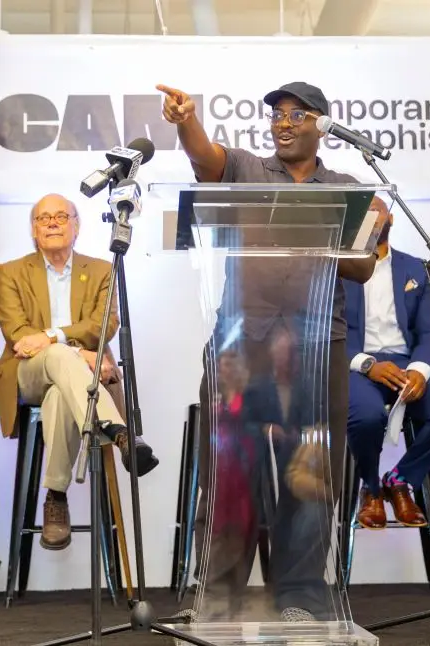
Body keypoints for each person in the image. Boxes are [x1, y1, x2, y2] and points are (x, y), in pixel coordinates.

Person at [158, 80, 376, 622]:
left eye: (297, 115)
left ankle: (300, 597)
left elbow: (363, 267)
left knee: (309, 474)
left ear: (321, 124)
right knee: (231, 475)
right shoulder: (248, 172)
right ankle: (222, 598)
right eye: (277, 115)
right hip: (241, 346)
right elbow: (205, 157)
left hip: (317, 345)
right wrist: (187, 121)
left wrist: (328, 230)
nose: (283, 123)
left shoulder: (346, 188)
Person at [0, 193, 159, 551]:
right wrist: (69, 347)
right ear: (33, 230)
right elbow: (18, 335)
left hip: (76, 378)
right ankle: (119, 431)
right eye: (43, 218)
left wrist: (54, 337)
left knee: (59, 397)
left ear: (77, 225)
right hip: (28, 373)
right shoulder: (11, 272)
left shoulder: (101, 270)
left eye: (61, 216)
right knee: (56, 358)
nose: (52, 223)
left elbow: (105, 324)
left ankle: (55, 495)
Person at [345, 197, 430, 529]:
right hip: (357, 367)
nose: (370, 216)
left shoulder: (415, 268)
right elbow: (321, 329)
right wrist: (367, 364)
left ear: (392, 218)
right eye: (363, 211)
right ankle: (369, 490)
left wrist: (419, 370)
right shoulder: (337, 268)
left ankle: (400, 480)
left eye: (377, 209)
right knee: (368, 416)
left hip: (405, 364)